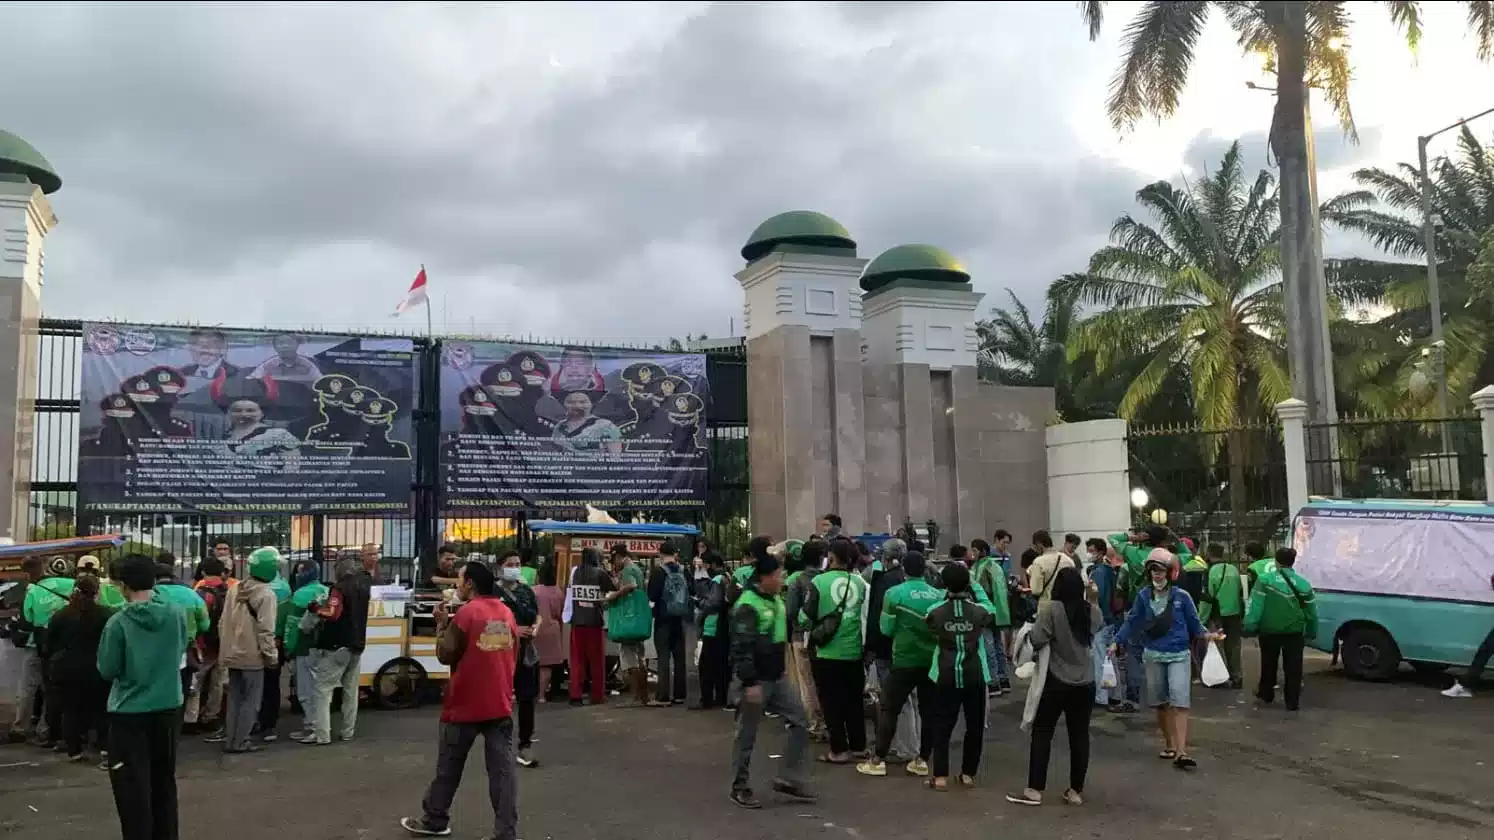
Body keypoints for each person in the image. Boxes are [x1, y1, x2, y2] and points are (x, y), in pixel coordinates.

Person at [400, 562, 521, 839]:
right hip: (499, 703)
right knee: (502, 773)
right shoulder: (506, 613)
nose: (457, 584)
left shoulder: (467, 614)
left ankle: (435, 818)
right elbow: (513, 652)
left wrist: (442, 626)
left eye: (460, 579)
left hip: (465, 702)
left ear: (470, 584)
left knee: (449, 767)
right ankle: (506, 832)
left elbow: (445, 654)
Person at [98, 554, 191, 840]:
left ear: (124, 585)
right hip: (168, 704)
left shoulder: (118, 623)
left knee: (132, 787)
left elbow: (108, 668)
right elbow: (181, 649)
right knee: (164, 781)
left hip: (130, 710)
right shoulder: (176, 613)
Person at [1113, 552, 1223, 770]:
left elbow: (1194, 624)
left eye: (1161, 570)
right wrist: (1117, 641)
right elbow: (1132, 621)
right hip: (1153, 655)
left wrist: (1209, 635)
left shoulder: (1182, 597)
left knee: (1180, 703)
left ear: (1170, 572)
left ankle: (1182, 751)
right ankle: (1170, 744)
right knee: (1161, 703)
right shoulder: (1144, 597)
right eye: (1154, 570)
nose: (1157, 574)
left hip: (1179, 656)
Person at [728, 552, 816, 810]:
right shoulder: (748, 605)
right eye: (777, 575)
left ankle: (788, 777)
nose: (782, 580)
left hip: (776, 678)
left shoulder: (775, 598)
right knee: (747, 734)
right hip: (756, 681)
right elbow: (741, 648)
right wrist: (750, 682)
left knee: (800, 719)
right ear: (764, 578)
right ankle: (739, 786)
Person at [1009, 567, 1103, 806]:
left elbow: (1038, 639)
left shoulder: (1051, 610)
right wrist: (1093, 597)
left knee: (1043, 732)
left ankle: (1034, 790)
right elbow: (1098, 624)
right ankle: (1075, 791)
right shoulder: (1091, 612)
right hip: (1086, 683)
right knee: (1079, 735)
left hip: (1056, 680)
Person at [857, 549, 941, 779]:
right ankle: (922, 760)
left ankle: (877, 760)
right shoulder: (937, 595)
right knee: (928, 711)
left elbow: (886, 629)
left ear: (903, 569)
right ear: (924, 570)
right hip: (931, 661)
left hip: (904, 659)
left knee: (890, 709)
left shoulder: (894, 593)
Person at [798, 539, 869, 764]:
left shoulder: (819, 581)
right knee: (854, 701)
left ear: (832, 557)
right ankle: (859, 746)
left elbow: (804, 618)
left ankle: (839, 750)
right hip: (854, 651)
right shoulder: (859, 582)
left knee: (831, 702)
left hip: (826, 652)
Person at [924, 563, 993, 791]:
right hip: (974, 674)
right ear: (968, 584)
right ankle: (967, 774)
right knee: (974, 726)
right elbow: (991, 609)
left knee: (942, 724)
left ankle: (941, 776)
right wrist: (973, 583)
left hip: (944, 673)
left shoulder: (935, 610)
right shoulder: (980, 611)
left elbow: (930, 625)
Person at [212, 547, 279, 754]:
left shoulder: (235, 588)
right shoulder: (266, 594)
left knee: (234, 698)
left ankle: (231, 739)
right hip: (252, 655)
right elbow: (266, 631)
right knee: (251, 700)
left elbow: (223, 622)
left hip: (232, 653)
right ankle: (241, 741)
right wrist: (271, 656)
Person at [47, 573, 115, 762]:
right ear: (96, 592)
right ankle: (104, 747)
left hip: (66, 668)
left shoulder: (61, 615)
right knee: (102, 708)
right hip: (97, 667)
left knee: (71, 710)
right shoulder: (106, 614)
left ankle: (74, 749)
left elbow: (49, 643)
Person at [304, 558, 371, 745]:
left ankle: (322, 735)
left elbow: (333, 614)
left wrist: (316, 608)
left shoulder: (339, 588)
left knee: (323, 690)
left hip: (337, 646)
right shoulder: (363, 587)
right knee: (351, 691)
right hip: (357, 645)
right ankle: (348, 731)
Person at [1244, 547, 1317, 711]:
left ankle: (1267, 693)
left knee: (1268, 662)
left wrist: (1249, 626)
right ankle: (1292, 701)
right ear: (1293, 561)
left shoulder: (1264, 580)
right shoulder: (1304, 584)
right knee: (1294, 667)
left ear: (1276, 561)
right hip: (1295, 632)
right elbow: (1311, 612)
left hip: (1269, 631)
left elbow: (1255, 605)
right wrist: (1312, 631)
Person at [10, 556, 67, 744]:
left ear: (27, 573)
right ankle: (45, 729)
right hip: (61, 646)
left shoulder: (32, 591)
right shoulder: (69, 583)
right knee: (51, 689)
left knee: (28, 687)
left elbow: (26, 622)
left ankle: (20, 728)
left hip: (36, 645)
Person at [496, 552, 542, 768]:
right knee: (500, 699)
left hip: (525, 651)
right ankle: (499, 744)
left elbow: (537, 615)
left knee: (526, 698)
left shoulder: (525, 591)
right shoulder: (493, 593)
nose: (514, 568)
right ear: (500, 567)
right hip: (500, 652)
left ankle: (524, 743)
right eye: (510, 564)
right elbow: (487, 623)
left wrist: (535, 628)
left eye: (517, 564)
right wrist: (515, 630)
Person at [151, 561, 210, 718]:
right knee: (183, 689)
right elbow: (205, 624)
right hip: (186, 649)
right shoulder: (191, 594)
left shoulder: (151, 594)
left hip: (156, 651)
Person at [184, 556, 231, 735]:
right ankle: (211, 716)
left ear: (203, 572)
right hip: (224, 642)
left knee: (196, 682)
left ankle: (191, 718)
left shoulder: (201, 594)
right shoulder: (230, 592)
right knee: (218, 682)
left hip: (204, 644)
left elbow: (198, 621)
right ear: (222, 572)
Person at [281, 560, 327, 737]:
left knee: (306, 691)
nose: (297, 575)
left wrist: (288, 648)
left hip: (304, 647)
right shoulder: (325, 591)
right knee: (319, 688)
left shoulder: (300, 595)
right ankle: (314, 725)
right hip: (322, 648)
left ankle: (314, 728)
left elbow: (292, 626)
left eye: (300, 572)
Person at [565, 547, 615, 705]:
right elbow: (613, 589)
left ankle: (575, 695)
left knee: (577, 661)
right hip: (594, 622)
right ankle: (597, 695)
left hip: (577, 622)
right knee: (596, 661)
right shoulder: (600, 573)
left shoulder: (575, 572)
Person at [602, 544, 650, 705]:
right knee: (640, 657)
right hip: (638, 618)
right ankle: (643, 696)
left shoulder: (628, 570)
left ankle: (635, 696)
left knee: (629, 658)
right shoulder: (637, 568)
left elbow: (631, 586)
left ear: (618, 557)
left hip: (628, 620)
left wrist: (613, 596)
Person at [1088, 539, 1130, 712]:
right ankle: (1115, 695)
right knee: (1110, 659)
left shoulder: (1099, 573)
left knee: (1100, 660)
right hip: (1111, 620)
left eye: (1091, 550)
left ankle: (1102, 696)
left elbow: (1099, 599)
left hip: (1102, 621)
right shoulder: (1110, 571)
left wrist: (1097, 620)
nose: (1089, 554)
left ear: (1100, 552)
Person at [647, 542, 691, 706]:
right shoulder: (683, 570)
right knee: (680, 657)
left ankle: (663, 696)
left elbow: (652, 595)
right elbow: (691, 590)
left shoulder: (658, 572)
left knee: (663, 657)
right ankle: (680, 694)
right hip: (680, 618)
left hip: (663, 618)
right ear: (675, 554)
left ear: (660, 554)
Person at [1199, 542, 1246, 689]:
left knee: (1217, 645)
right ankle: (1236, 676)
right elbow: (1240, 591)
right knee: (1234, 646)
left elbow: (1207, 598)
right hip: (1235, 613)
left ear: (1208, 553)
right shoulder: (1233, 569)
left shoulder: (1209, 571)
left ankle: (1220, 677)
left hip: (1217, 614)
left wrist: (1202, 619)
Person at [971, 538, 1013, 697]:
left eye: (974, 550)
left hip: (986, 612)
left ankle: (993, 683)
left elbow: (981, 590)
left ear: (982, 551)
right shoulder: (994, 566)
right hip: (999, 612)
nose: (972, 554)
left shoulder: (982, 568)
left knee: (989, 648)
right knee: (998, 646)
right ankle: (1004, 680)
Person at [694, 551, 731, 709]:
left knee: (706, 665)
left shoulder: (716, 580)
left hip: (713, 626)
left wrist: (700, 603)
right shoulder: (727, 576)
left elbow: (714, 603)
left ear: (711, 565)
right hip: (724, 627)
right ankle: (721, 697)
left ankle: (707, 699)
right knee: (721, 664)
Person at [531, 561, 566, 703]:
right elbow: (560, 612)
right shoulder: (557, 591)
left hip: (535, 628)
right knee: (546, 665)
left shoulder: (533, 591)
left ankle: (530, 693)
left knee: (532, 662)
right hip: (552, 630)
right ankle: (541, 695)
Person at [1027, 530, 1075, 606]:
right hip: (1067, 605)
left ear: (1039, 545)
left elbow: (1036, 590)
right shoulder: (1068, 560)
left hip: (1047, 604)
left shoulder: (1039, 562)